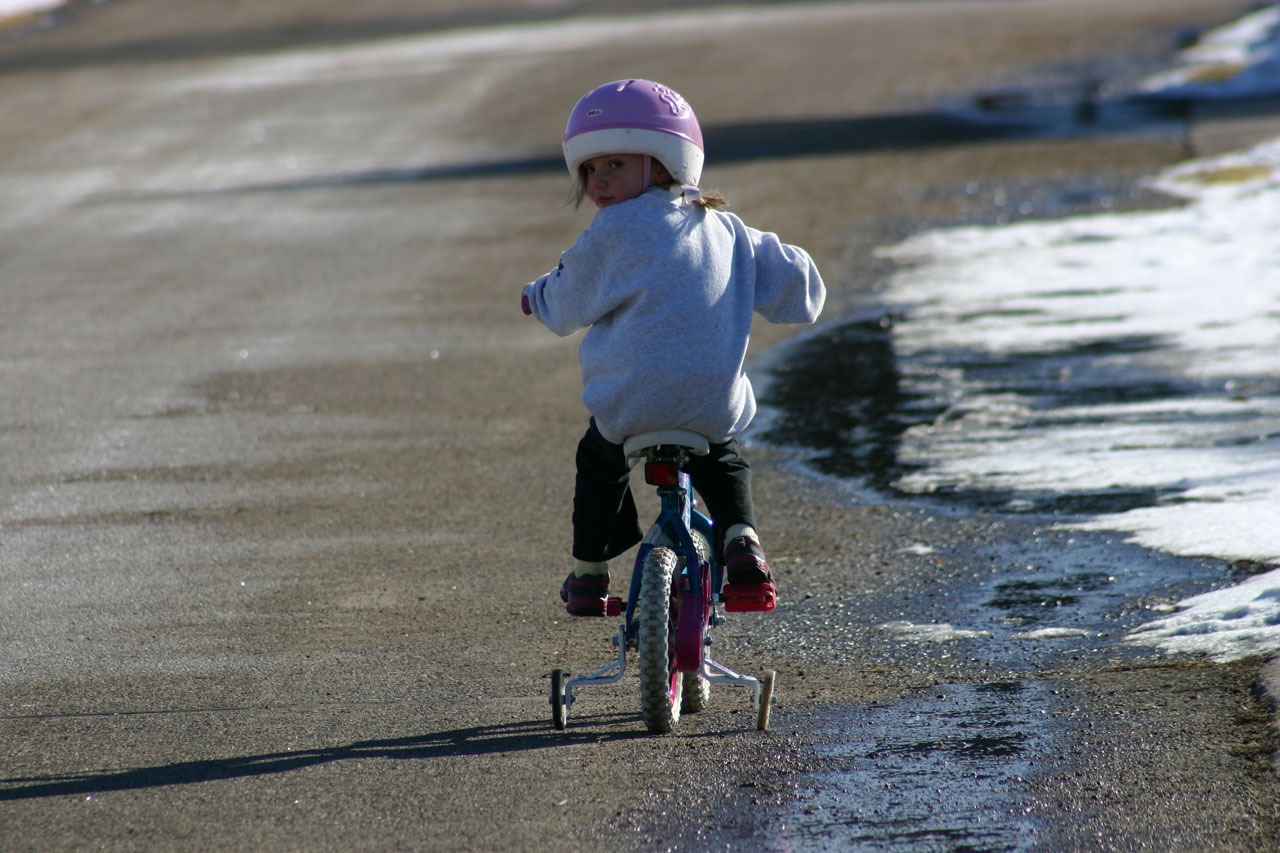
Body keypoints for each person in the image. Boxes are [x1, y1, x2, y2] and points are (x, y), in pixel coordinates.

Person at [521, 79, 825, 616]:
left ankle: (590, 574)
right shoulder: (728, 231)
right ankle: (742, 544)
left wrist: (535, 296)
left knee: (599, 460)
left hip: (630, 406)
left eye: (614, 164)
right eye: (590, 170)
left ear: (664, 163)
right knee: (723, 458)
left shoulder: (612, 232)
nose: (598, 182)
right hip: (712, 404)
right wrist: (803, 278)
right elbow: (799, 289)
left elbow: (565, 304)